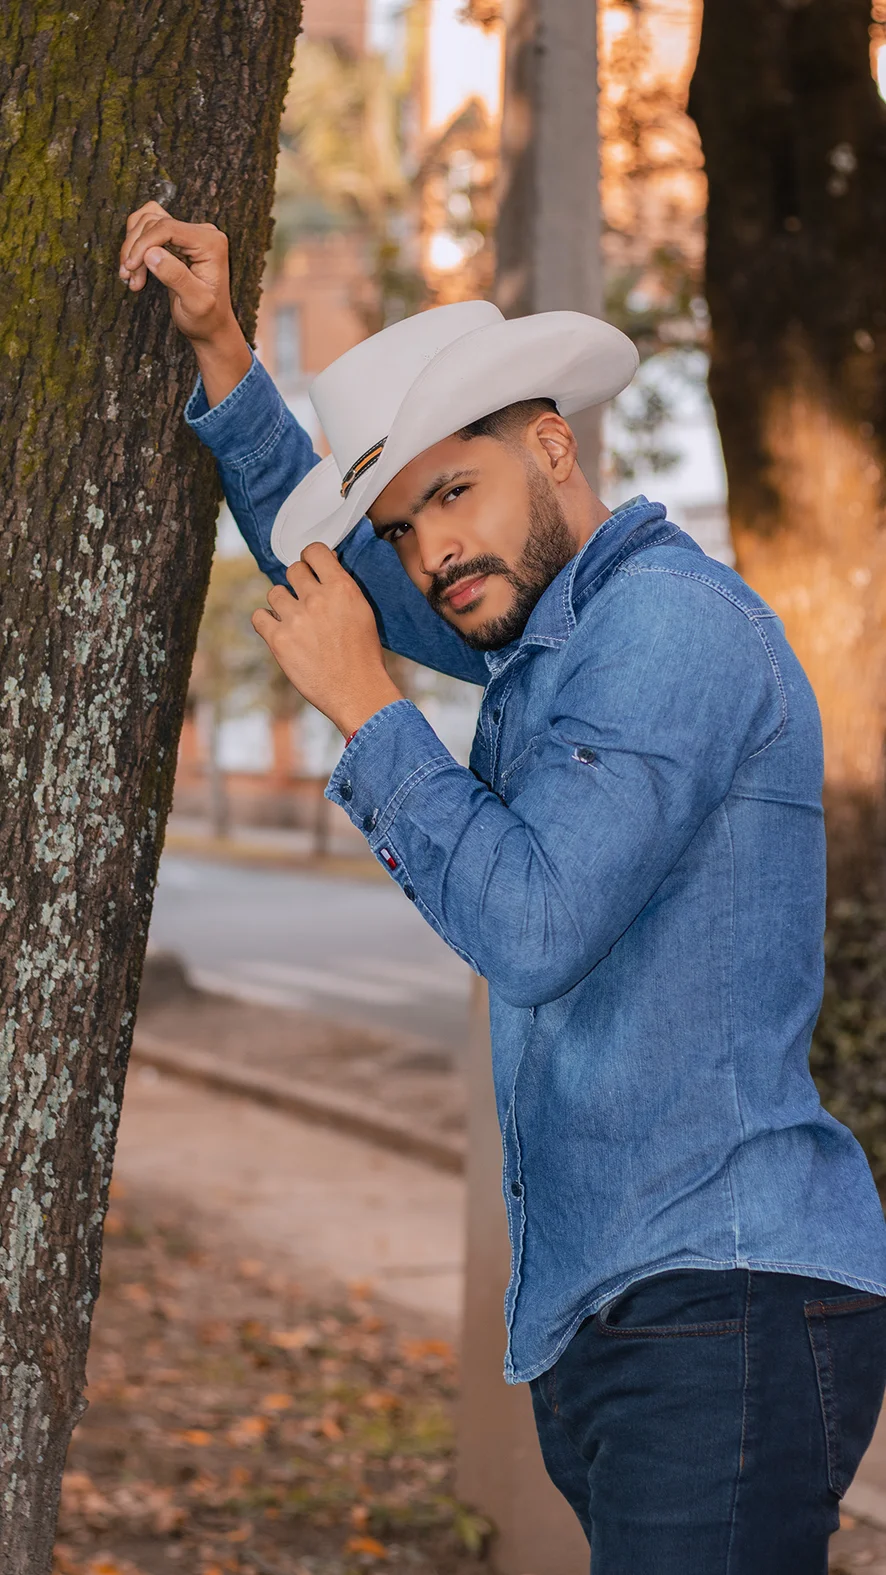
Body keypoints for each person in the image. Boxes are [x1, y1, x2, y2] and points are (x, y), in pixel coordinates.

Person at [120, 203, 886, 1574]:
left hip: (721, 1300)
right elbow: (335, 571)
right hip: (628, 1310)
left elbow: (534, 923)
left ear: (551, 446)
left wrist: (368, 712)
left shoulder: (664, 628)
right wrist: (225, 347)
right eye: (406, 524)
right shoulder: (550, 635)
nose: (431, 553)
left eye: (454, 494)